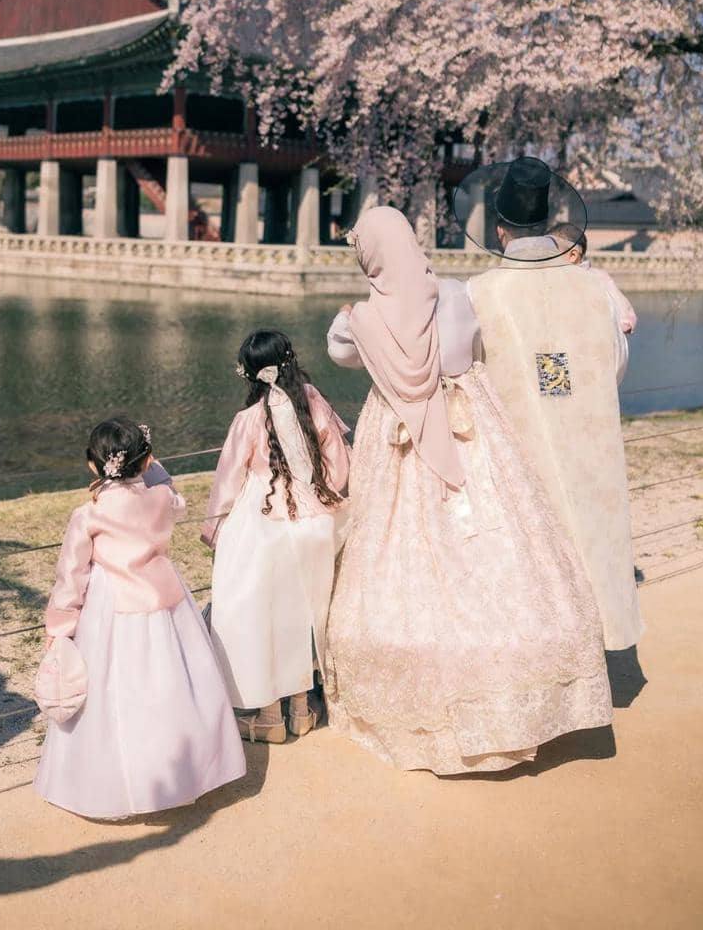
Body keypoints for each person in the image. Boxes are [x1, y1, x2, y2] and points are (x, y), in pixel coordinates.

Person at [324, 205, 612, 775]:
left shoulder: (357, 319)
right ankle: (518, 691)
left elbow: (338, 354)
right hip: (471, 422)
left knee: (398, 553)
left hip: (401, 430)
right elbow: (476, 345)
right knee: (503, 535)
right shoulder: (457, 293)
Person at [460, 157, 644, 651]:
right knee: (587, 539)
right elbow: (615, 361)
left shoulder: (480, 293)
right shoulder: (593, 288)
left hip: (515, 443)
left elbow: (468, 369)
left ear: (500, 231)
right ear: (545, 220)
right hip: (586, 436)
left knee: (527, 553)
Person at [34, 415, 246, 818]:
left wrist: (59, 626)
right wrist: (154, 468)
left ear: (94, 465)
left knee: (116, 694)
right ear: (147, 461)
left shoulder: (89, 512)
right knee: (173, 688)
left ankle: (112, 784)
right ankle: (188, 771)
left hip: (111, 607)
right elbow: (172, 494)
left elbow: (71, 576)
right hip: (166, 599)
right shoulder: (163, 499)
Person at [202, 330, 351, 744]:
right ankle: (302, 710)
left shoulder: (248, 419)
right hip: (315, 520)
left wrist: (214, 528)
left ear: (249, 374)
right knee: (307, 612)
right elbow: (337, 461)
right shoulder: (313, 400)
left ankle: (269, 717)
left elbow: (228, 480)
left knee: (263, 614)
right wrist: (330, 495)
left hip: (266, 520)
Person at [549, 221, 638, 335]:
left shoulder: (597, 279)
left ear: (573, 256)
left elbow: (625, 319)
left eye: (551, 254)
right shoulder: (554, 279)